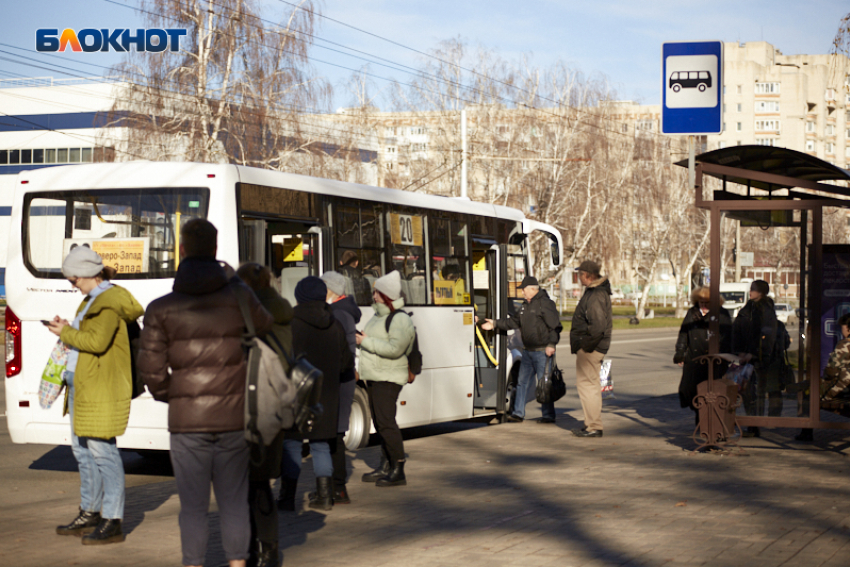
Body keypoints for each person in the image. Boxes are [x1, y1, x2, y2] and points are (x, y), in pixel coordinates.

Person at [138, 219, 273, 567]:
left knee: (194, 508)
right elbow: (266, 326)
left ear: (181, 250)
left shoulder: (160, 308)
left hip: (187, 424)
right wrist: (234, 279)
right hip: (234, 419)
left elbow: (151, 371)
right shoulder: (239, 297)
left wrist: (177, 395)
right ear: (215, 250)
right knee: (232, 502)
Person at [50, 247, 144, 545]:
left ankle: (112, 519)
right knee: (82, 451)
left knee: (104, 452)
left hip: (100, 387)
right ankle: (90, 511)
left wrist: (63, 333)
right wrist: (67, 327)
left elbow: (97, 341)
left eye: (73, 279)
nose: (72, 284)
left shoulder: (108, 302)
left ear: (87, 274)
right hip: (83, 384)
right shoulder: (91, 301)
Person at [236, 263, 293, 567]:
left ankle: (248, 548)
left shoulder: (251, 317)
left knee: (244, 486)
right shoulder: (283, 313)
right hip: (273, 408)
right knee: (260, 486)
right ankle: (268, 549)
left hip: (249, 405)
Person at [279, 276, 353, 512]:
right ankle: (324, 496)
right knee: (321, 445)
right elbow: (346, 363)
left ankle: (288, 497)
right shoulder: (335, 324)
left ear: (299, 296)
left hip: (296, 393)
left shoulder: (289, 323)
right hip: (326, 394)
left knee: (291, 444)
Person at [356, 271, 416, 487]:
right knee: (381, 424)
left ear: (386, 295)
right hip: (375, 375)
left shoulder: (399, 319)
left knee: (386, 423)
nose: (373, 296)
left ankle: (398, 468)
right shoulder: (377, 315)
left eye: (376, 293)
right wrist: (362, 339)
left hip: (388, 377)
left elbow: (394, 349)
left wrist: (365, 341)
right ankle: (385, 465)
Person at [480, 276, 562, 423]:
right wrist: (494, 324)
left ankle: (548, 415)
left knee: (544, 384)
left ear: (532, 289)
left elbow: (555, 327)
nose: (522, 293)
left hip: (542, 351)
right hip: (528, 351)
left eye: (523, 290)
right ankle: (518, 413)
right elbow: (513, 322)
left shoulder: (545, 304)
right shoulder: (525, 305)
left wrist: (551, 344)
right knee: (521, 382)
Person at [320, 271, 362, 504]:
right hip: (344, 379)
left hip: (336, 379)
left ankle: (335, 486)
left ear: (330, 289)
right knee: (336, 434)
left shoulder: (337, 314)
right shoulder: (346, 312)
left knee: (332, 436)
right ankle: (338, 487)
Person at [674, 286, 733, 426]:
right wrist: (680, 353)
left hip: (715, 360)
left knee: (712, 392)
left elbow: (729, 336)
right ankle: (699, 417)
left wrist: (726, 355)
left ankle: (709, 423)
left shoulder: (721, 314)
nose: (704, 306)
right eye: (701, 303)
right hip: (694, 359)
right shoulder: (692, 313)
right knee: (690, 390)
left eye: (707, 303)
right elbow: (684, 334)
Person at [569, 260, 613, 438]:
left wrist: (584, 345)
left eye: (580, 274)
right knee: (591, 385)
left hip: (591, 348)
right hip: (594, 347)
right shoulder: (597, 292)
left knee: (587, 386)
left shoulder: (595, 295)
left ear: (587, 275)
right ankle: (592, 424)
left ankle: (593, 426)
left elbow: (598, 326)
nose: (578, 278)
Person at [732, 279, 780, 437]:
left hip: (759, 359)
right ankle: (751, 424)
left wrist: (753, 353)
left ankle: (755, 426)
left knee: (756, 392)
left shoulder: (765, 309)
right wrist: (739, 351)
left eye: (753, 289)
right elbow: (737, 329)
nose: (750, 292)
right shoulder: (748, 307)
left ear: (761, 292)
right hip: (745, 357)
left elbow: (766, 335)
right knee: (746, 391)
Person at [821, 313, 850, 402]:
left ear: (847, 328)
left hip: (841, 390)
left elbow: (831, 370)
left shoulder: (844, 345)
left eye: (842, 327)